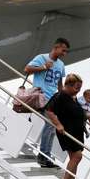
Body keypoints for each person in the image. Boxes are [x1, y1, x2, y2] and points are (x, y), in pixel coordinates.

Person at [24, 38, 69, 168]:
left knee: (52, 127)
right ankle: (44, 156)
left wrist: (63, 100)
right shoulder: (42, 58)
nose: (64, 53)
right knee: (51, 125)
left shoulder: (61, 65)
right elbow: (26, 69)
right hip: (41, 96)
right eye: (63, 50)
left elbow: (59, 84)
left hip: (52, 99)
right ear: (56, 47)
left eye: (66, 51)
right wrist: (43, 67)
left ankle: (45, 155)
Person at [45, 73, 85, 179]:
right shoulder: (61, 95)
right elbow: (49, 110)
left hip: (77, 131)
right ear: (68, 85)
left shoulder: (73, 97)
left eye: (79, 88)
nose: (78, 91)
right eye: (76, 88)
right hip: (67, 130)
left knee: (74, 157)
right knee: (77, 156)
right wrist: (58, 124)